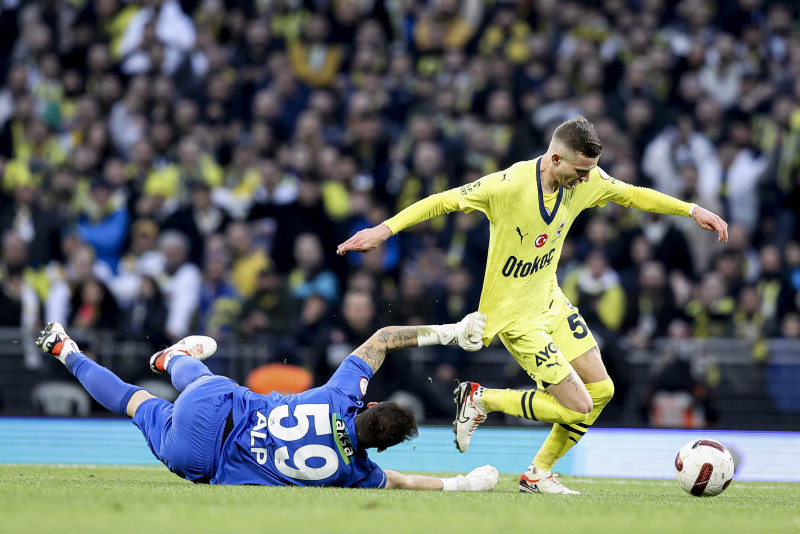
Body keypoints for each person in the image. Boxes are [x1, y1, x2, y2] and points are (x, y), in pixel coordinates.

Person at [337, 116, 728, 494]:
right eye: (581, 169)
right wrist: (384, 229)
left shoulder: (585, 181)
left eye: (592, 170)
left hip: (551, 301)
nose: (588, 178)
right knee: (578, 406)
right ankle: (480, 398)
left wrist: (691, 210)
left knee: (603, 390)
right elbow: (443, 201)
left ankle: (538, 474)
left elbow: (633, 194)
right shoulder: (508, 185)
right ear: (556, 158)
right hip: (515, 319)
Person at [34, 311, 498, 491]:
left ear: (370, 406)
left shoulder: (341, 395)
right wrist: (463, 485)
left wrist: (451, 333)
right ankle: (67, 351)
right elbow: (403, 482)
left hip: (221, 407)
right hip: (201, 462)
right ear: (379, 446)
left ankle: (172, 358)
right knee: (134, 403)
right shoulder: (358, 472)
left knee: (199, 380)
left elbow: (381, 338)